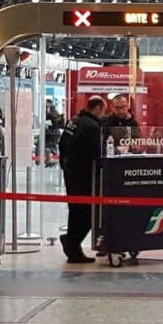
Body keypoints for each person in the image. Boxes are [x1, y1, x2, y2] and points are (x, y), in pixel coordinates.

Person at [59, 96, 106, 263]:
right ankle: (72, 242)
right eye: (103, 110)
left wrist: (64, 165)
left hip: (71, 173)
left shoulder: (74, 121)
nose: (103, 114)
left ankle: (73, 246)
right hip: (83, 177)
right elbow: (96, 155)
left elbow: (62, 144)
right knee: (87, 214)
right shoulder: (91, 127)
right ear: (98, 108)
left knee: (75, 211)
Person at [44, 99, 64, 167]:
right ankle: (51, 160)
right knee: (52, 146)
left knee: (49, 146)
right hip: (55, 132)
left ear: (49, 104)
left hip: (52, 132)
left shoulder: (51, 113)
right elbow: (59, 122)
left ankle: (51, 160)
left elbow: (54, 122)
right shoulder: (56, 112)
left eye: (46, 103)